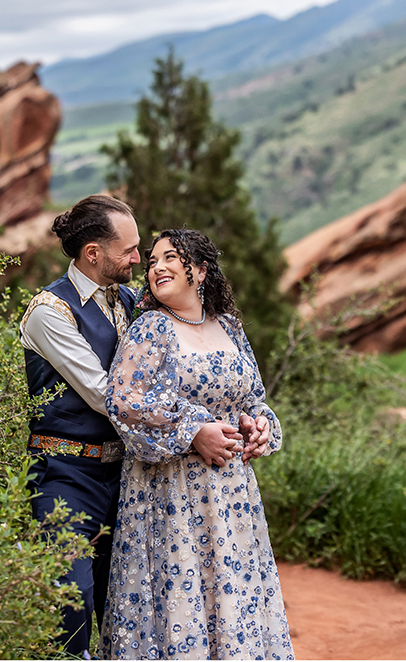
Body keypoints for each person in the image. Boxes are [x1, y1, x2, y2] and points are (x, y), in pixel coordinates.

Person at [99, 229, 294, 660]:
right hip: (171, 494)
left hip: (233, 496)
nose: (157, 266)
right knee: (179, 600)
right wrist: (194, 431)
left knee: (235, 599)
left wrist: (259, 424)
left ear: (200, 271)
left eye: (171, 257)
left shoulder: (229, 326)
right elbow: (124, 400)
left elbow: (253, 396)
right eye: (151, 261)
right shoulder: (151, 328)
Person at [19, 194, 141, 658]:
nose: (137, 257)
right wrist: (189, 429)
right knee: (70, 603)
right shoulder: (50, 311)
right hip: (65, 476)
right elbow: (106, 395)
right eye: (128, 250)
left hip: (126, 475)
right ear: (93, 253)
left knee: (124, 603)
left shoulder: (129, 300)